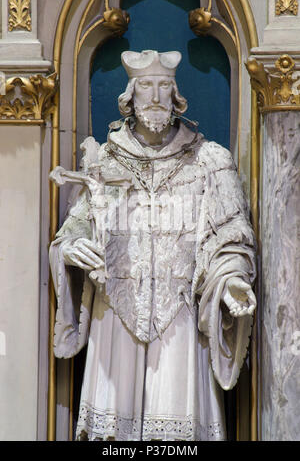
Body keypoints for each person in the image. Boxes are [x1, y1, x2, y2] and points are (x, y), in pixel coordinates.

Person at [49, 50, 256, 441]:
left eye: (165, 86)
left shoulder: (209, 161)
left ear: (177, 95)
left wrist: (230, 279)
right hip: (115, 312)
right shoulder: (105, 161)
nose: (157, 96)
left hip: (179, 317)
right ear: (130, 95)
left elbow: (231, 236)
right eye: (146, 86)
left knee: (175, 437)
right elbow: (72, 232)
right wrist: (72, 249)